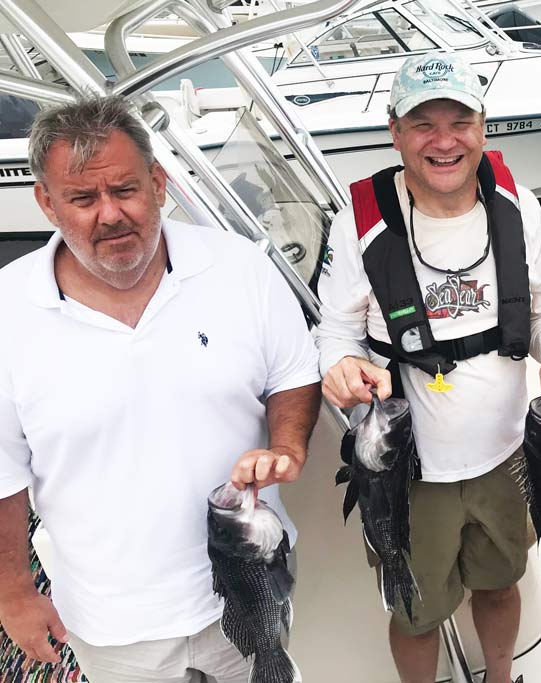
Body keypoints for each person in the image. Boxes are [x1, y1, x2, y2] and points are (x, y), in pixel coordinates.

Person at [0, 96, 322, 682]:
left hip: (255, 582)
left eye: (125, 190)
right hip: (111, 621)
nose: (109, 215)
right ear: (46, 202)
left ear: (158, 181)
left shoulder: (241, 268)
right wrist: (13, 592)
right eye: (82, 198)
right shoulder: (5, 309)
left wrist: (289, 445)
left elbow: (293, 376)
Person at [315, 52, 541, 683]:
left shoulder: (518, 206)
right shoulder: (357, 225)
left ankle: (501, 677)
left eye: (460, 121)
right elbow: (334, 330)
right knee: (415, 612)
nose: (444, 141)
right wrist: (339, 364)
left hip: (507, 454)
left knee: (501, 585)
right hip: (409, 469)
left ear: (483, 126)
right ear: (395, 131)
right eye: (423, 124)